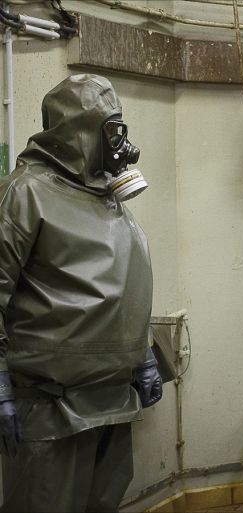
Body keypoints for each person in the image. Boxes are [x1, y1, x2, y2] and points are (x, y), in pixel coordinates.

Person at [0, 74, 162, 512]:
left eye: (119, 128)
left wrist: (143, 354)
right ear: (79, 130)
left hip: (113, 401)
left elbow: (123, 284)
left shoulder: (106, 198)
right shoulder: (25, 192)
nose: (119, 142)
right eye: (111, 129)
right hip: (51, 409)